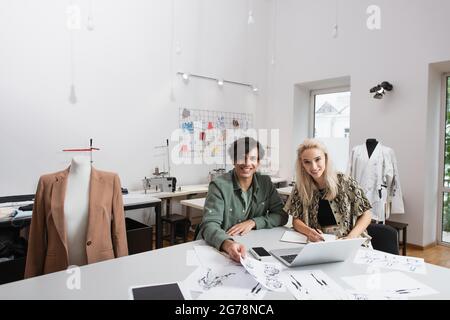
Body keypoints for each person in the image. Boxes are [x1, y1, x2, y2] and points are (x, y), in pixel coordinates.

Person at [196, 137, 288, 262]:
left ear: (258, 162)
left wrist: (254, 222)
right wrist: (227, 244)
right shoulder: (219, 186)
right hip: (217, 249)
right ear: (233, 161)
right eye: (241, 157)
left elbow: (281, 215)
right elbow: (209, 225)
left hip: (249, 247)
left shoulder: (265, 183)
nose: (247, 163)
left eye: (252, 158)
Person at [284, 139, 372, 244]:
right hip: (320, 244)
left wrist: (351, 237)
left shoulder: (345, 182)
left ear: (325, 158)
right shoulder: (300, 187)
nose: (313, 167)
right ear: (302, 164)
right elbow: (296, 220)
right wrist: (309, 232)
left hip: (351, 242)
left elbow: (366, 215)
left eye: (317, 159)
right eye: (307, 162)